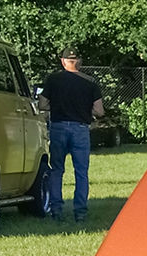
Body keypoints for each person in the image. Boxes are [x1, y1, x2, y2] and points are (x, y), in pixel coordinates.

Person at [39, 47, 104, 222]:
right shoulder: (90, 82)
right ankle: (80, 212)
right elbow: (99, 111)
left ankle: (56, 210)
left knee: (57, 170)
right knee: (81, 172)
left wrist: (58, 105)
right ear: (79, 62)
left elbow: (42, 104)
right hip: (81, 129)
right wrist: (84, 108)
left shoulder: (53, 80)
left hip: (58, 127)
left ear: (63, 61)